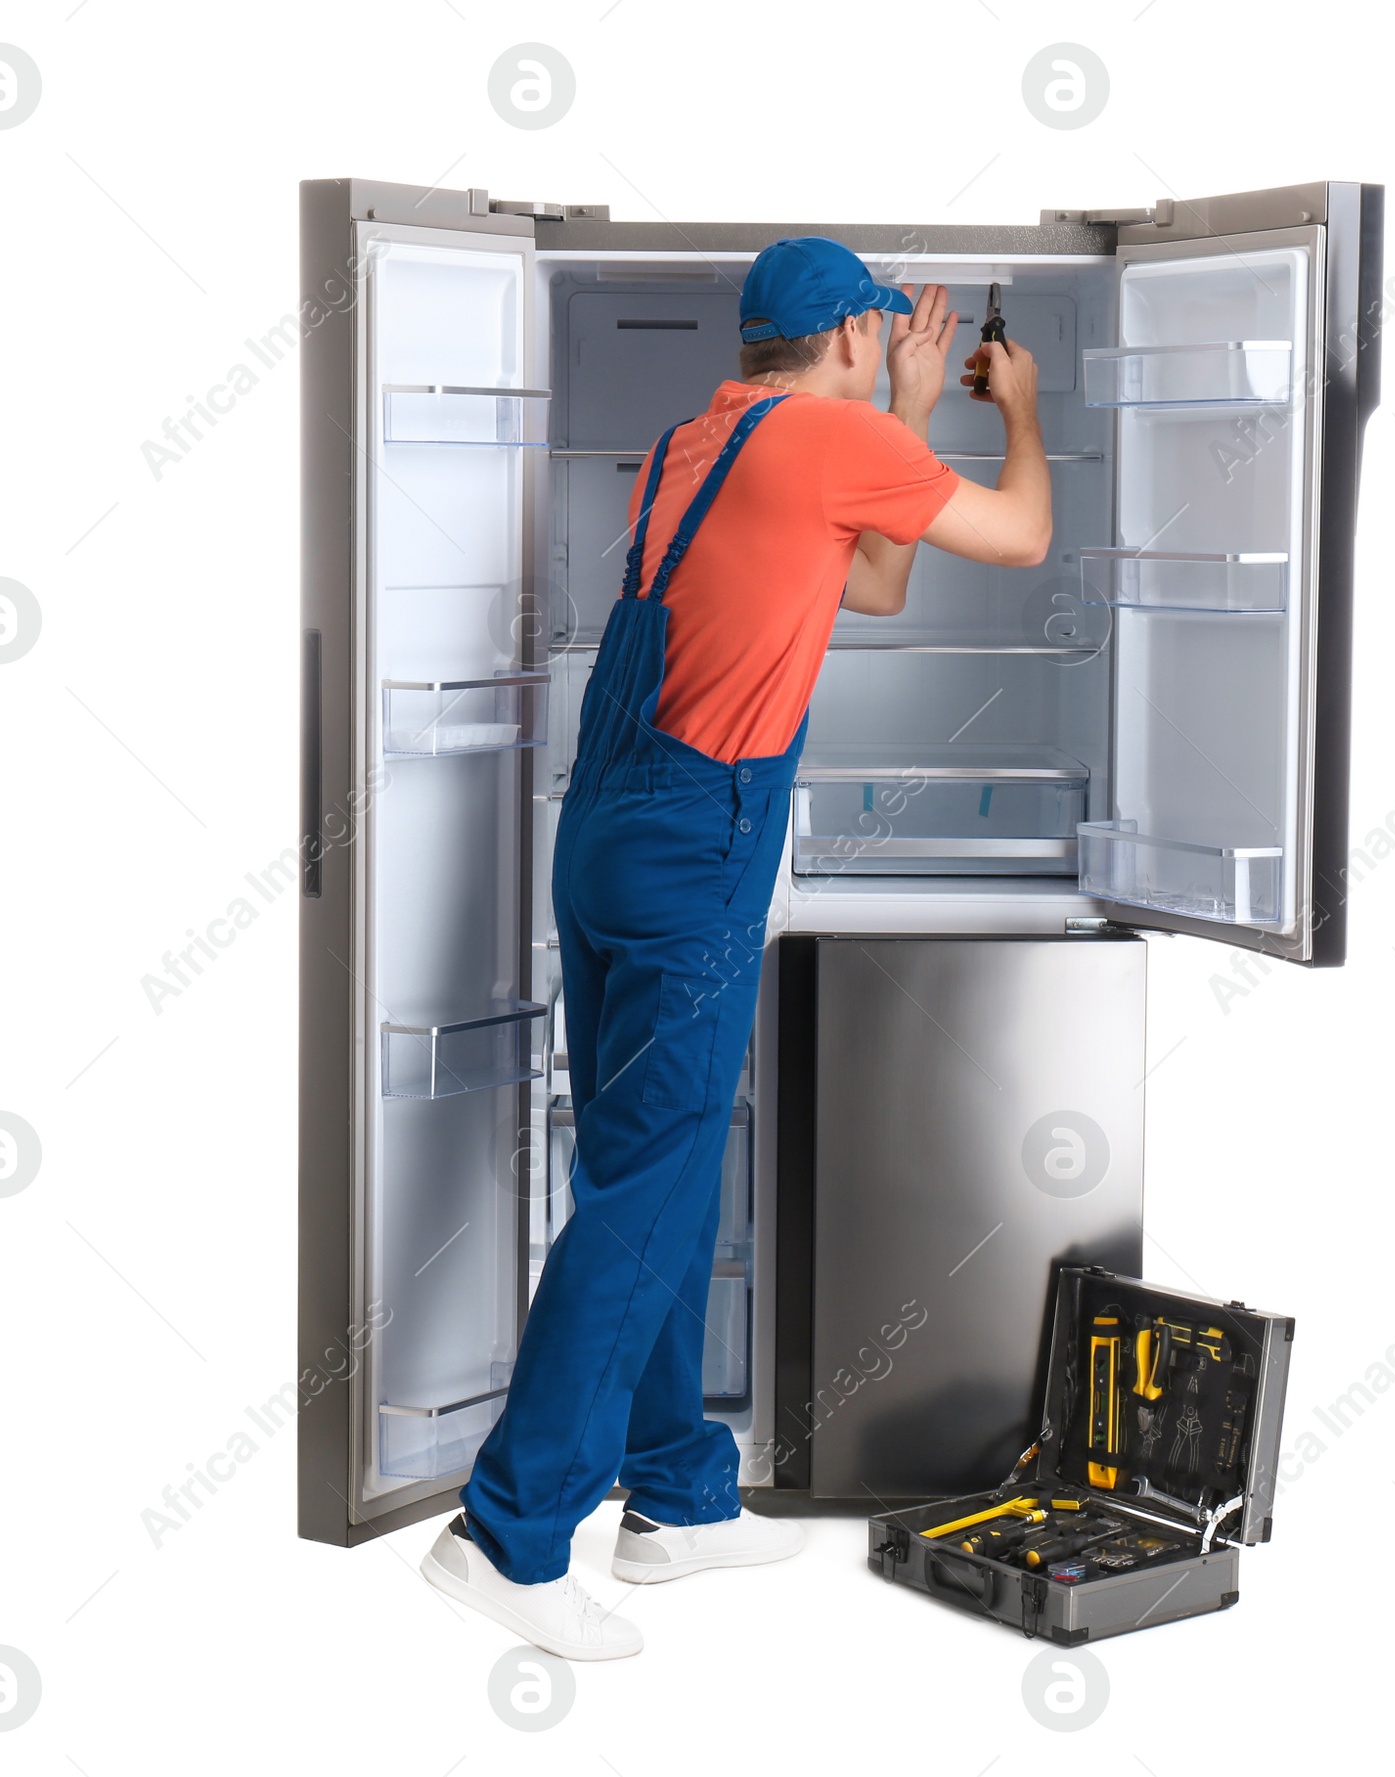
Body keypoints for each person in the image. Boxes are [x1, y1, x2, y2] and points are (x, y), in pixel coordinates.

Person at [421, 236, 1051, 1658]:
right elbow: (1019, 536)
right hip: (695, 843)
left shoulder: (699, 436)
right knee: (644, 1193)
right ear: (842, 344)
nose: (890, 355)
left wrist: (898, 406)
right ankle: (509, 1533)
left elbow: (867, 584)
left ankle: (678, 1499)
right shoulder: (833, 437)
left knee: (651, 1170)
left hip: (605, 830)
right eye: (879, 339)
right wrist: (1010, 403)